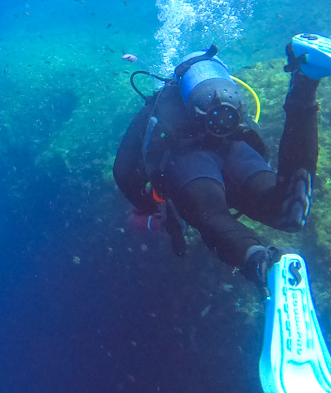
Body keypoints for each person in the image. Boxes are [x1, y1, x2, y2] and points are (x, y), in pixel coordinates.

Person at [113, 44, 317, 290]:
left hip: (187, 168)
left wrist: (147, 204)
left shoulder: (157, 105)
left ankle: (262, 264)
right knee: (290, 214)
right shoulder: (227, 101)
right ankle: (305, 84)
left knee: (212, 216)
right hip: (239, 154)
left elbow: (123, 171)